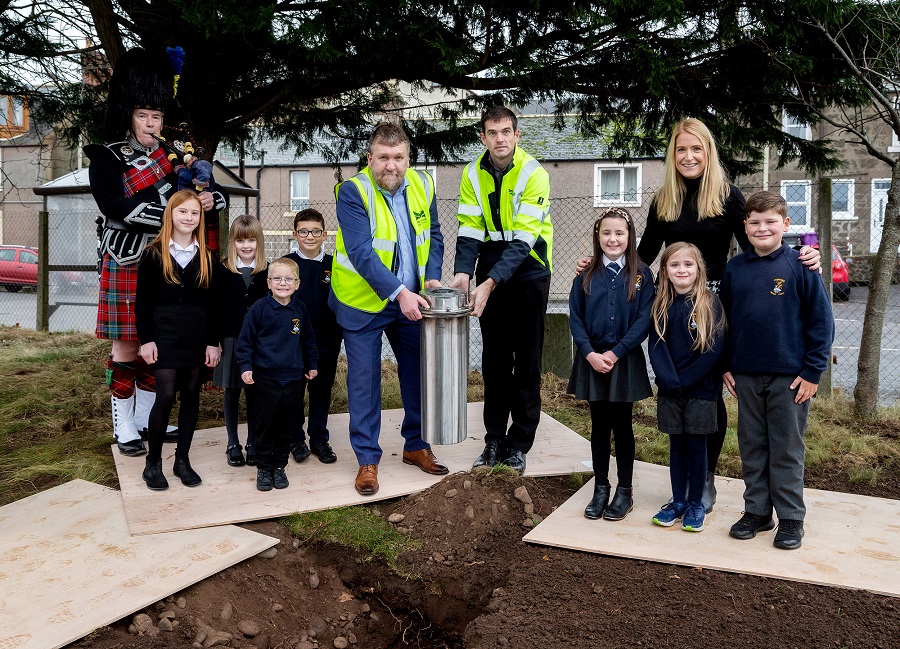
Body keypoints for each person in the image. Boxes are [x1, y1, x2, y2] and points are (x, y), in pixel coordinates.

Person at [579, 117, 819, 511]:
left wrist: (803, 254)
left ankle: (705, 479)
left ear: (708, 152)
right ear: (673, 156)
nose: (688, 156)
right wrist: (600, 261)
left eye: (696, 149)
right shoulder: (664, 201)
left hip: (717, 308)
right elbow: (647, 253)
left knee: (710, 396)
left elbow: (758, 247)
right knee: (677, 391)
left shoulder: (728, 196)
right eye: (681, 150)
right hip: (674, 306)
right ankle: (682, 481)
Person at [84, 48, 227, 457]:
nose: (152, 123)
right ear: (129, 115)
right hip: (128, 258)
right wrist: (174, 211)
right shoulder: (107, 157)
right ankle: (124, 425)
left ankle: (150, 422)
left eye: (157, 117)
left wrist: (208, 198)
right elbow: (115, 206)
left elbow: (193, 197)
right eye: (144, 116)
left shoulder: (173, 158)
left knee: (158, 346)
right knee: (128, 347)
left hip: (169, 264)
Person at [330, 123, 446, 496]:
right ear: (370, 158)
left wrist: (431, 277)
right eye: (383, 158)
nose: (391, 166)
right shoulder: (353, 192)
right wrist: (400, 293)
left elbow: (436, 235)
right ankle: (367, 460)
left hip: (412, 298)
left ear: (408, 158)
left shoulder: (424, 185)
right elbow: (362, 253)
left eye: (398, 158)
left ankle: (415, 445)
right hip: (364, 303)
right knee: (365, 381)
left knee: (417, 374)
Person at [721, 190, 834, 550]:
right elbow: (723, 322)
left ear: (785, 225)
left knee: (785, 447)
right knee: (752, 445)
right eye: (754, 222)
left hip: (791, 378)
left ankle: (790, 518)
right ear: (745, 226)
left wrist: (813, 372)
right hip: (746, 376)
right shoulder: (735, 268)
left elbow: (821, 323)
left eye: (770, 221)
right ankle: (757, 511)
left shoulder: (801, 265)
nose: (762, 228)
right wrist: (725, 365)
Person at [449, 106, 553, 475]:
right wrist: (464, 273)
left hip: (529, 268)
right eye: (492, 133)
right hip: (491, 262)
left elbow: (525, 240)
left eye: (506, 131)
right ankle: (493, 440)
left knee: (526, 363)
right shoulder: (472, 173)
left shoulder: (534, 173)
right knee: (494, 362)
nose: (500, 139)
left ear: (517, 134)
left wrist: (489, 283)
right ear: (483, 137)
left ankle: (519, 443)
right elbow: (470, 226)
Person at [568, 207, 654, 521]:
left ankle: (625, 491)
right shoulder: (587, 273)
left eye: (619, 233)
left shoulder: (643, 274)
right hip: (593, 359)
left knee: (623, 426)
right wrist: (590, 353)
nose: (613, 238)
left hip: (624, 359)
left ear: (630, 236)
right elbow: (575, 317)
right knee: (600, 427)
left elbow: (644, 319)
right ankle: (601, 487)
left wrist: (616, 353)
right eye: (606, 233)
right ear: (597, 236)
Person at [136, 190, 223, 490]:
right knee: (165, 396)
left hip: (197, 338)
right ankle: (153, 463)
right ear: (170, 214)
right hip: (164, 337)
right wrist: (146, 340)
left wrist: (214, 342)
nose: (189, 218)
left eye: (195, 213)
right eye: (183, 212)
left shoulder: (209, 257)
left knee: (191, 396)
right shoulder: (152, 253)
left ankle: (182, 460)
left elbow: (215, 306)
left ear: (201, 218)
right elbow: (142, 303)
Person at [648, 243, 726, 533]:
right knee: (676, 446)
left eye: (688, 265)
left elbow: (714, 349)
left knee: (696, 446)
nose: (682, 270)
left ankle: (696, 504)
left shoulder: (710, 303)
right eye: (675, 265)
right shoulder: (660, 304)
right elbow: (656, 346)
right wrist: (670, 381)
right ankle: (677, 501)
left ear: (698, 269)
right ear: (665, 271)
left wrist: (686, 381)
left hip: (701, 391)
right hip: (670, 391)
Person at [237, 257, 319, 492]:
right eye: (277, 279)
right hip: (265, 378)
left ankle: (279, 466)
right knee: (266, 424)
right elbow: (245, 343)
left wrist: (311, 364)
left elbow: (308, 341)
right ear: (269, 282)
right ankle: (264, 468)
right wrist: (246, 367)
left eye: (288, 279)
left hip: (293, 378)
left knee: (287, 425)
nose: (283, 283)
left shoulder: (300, 309)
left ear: (297, 283)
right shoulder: (259, 309)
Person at [285, 208, 342, 465]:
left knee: (321, 390)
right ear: (295, 234)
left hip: (327, 340)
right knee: (295, 390)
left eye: (315, 231)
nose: (310, 236)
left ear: (324, 234)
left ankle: (319, 438)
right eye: (304, 231)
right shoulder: (286, 265)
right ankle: (295, 438)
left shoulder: (335, 266)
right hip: (294, 342)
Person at [213, 215, 269, 467]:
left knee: (255, 393)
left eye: (251, 240)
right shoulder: (222, 271)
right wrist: (213, 341)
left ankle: (253, 442)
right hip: (231, 339)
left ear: (259, 243)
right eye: (240, 241)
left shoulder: (268, 272)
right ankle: (232, 442)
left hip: (258, 344)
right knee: (232, 391)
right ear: (232, 243)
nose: (246, 246)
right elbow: (211, 309)